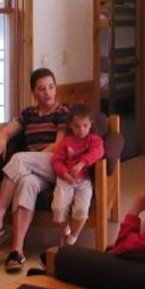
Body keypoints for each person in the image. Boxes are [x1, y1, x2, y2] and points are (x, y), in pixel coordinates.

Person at [0, 68, 70, 272]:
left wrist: (31, 157)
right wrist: (1, 141)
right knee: (26, 183)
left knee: (19, 159)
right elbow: (7, 130)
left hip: (53, 163)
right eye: (42, 89)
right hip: (32, 170)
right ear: (33, 92)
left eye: (51, 87)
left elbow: (59, 144)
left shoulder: (62, 112)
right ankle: (17, 250)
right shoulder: (28, 114)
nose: (48, 93)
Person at [50, 103, 104, 247]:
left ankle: (72, 239)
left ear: (90, 124)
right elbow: (56, 161)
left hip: (84, 180)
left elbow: (99, 152)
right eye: (77, 126)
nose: (81, 130)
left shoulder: (93, 139)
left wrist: (81, 163)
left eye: (85, 126)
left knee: (81, 209)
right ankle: (66, 231)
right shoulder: (65, 142)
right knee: (58, 209)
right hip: (65, 179)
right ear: (70, 126)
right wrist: (65, 174)